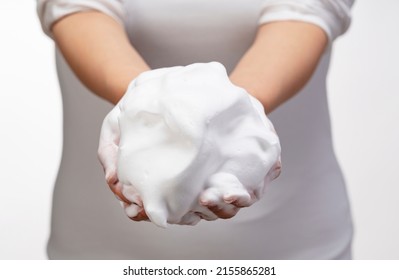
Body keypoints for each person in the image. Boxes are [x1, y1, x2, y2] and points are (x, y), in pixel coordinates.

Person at [37, 0, 354, 259]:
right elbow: (75, 8)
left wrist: (234, 114)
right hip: (100, 248)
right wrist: (143, 102)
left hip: (296, 245)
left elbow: (307, 12)